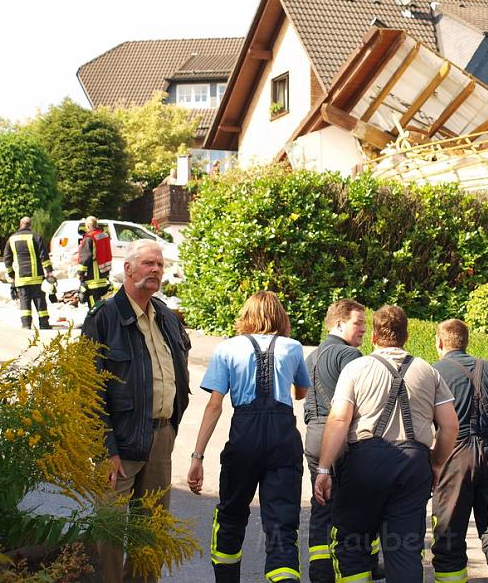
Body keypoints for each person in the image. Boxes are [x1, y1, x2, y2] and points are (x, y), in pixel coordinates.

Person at [314, 305, 459, 583]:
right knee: (404, 550)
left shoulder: (356, 368)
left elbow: (339, 421)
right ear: (406, 336)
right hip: (414, 465)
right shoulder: (428, 371)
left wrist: (323, 469)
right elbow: (450, 425)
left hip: (364, 464)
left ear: (374, 337)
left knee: (352, 544)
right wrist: (437, 464)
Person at [81, 239, 191, 583]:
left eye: (159, 264)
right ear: (127, 269)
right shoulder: (103, 318)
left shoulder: (168, 318)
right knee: (109, 533)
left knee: (152, 530)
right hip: (121, 443)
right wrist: (106, 447)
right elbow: (88, 391)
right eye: (148, 264)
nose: (156, 270)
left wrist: (172, 427)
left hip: (161, 436)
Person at [187, 290, 310, 583]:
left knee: (230, 515)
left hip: (243, 438)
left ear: (246, 315)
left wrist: (197, 456)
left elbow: (214, 405)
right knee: (282, 523)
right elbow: (301, 391)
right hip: (283, 440)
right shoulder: (293, 348)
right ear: (280, 316)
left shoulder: (228, 349)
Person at [431, 319, 488, 583]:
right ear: (466, 341)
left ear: (439, 342)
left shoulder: (434, 372)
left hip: (455, 457)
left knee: (449, 531)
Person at [303, 299, 383, 583]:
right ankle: (359, 567)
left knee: (321, 502)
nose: (363, 329)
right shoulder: (350, 356)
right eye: (358, 323)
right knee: (352, 504)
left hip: (313, 434)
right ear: (338, 323)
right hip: (339, 436)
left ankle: (319, 571)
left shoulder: (312, 355)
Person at [3, 216, 53, 329]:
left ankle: (26, 324)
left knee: (24, 302)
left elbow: (7, 259)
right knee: (40, 301)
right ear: (30, 225)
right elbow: (44, 257)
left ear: (20, 224)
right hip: (36, 277)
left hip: (21, 278)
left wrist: (12, 275)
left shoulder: (12, 239)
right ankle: (44, 324)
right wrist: (49, 272)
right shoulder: (36, 237)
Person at [78, 216, 112, 308]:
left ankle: (96, 322)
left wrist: (80, 273)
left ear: (88, 226)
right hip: (104, 278)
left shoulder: (89, 238)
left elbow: (85, 258)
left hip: (93, 279)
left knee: (95, 308)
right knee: (103, 307)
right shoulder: (104, 235)